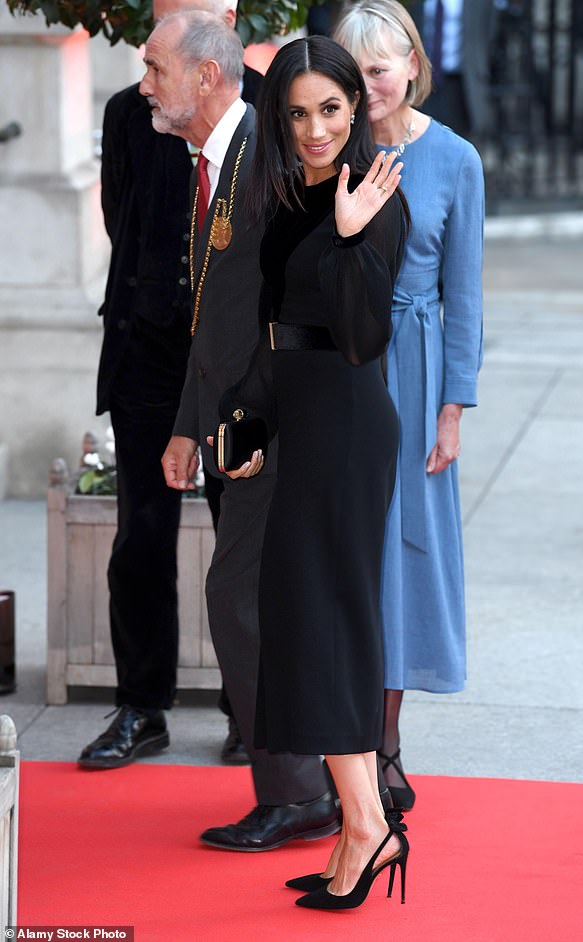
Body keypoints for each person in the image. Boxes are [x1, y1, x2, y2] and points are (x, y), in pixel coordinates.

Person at [213, 34, 410, 911]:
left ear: (356, 105)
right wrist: (248, 418)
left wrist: (349, 234)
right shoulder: (283, 189)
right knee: (309, 619)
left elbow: (363, 338)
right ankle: (364, 823)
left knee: (327, 618)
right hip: (302, 420)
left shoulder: (374, 194)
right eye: (297, 114)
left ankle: (366, 826)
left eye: (330, 108)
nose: (315, 128)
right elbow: (272, 323)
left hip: (349, 424)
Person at [148, 11, 340, 850]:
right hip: (237, 414)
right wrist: (190, 428)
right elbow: (216, 309)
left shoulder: (265, 153)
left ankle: (301, 788)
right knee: (259, 598)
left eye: (155, 67)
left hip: (279, 416)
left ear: (206, 76)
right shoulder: (213, 155)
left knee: (246, 597)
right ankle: (317, 781)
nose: (145, 82)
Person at [77, 0, 260, 771]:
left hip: (238, 367)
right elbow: (123, 219)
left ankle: (249, 711)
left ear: (223, 20)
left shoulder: (265, 106)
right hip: (149, 353)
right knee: (140, 536)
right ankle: (141, 706)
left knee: (242, 536)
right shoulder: (131, 112)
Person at [334, 0, 484, 810]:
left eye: (380, 68)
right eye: (353, 73)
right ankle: (344, 745)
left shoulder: (456, 158)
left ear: (414, 67)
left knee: (403, 555)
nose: (368, 85)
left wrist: (453, 407)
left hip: (417, 372)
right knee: (346, 551)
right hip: (340, 367)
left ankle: (385, 743)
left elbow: (465, 293)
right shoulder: (329, 150)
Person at [412, 0, 499, 143]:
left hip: (462, 83)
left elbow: (490, 34)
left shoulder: (481, 3)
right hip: (426, 81)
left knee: (460, 141)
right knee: (423, 138)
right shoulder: (420, 4)